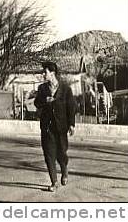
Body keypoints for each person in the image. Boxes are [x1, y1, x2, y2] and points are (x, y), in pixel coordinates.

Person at [33, 61, 76, 192]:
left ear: (52, 73)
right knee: (49, 155)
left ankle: (64, 170)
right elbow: (36, 103)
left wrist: (71, 124)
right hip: (47, 128)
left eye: (45, 72)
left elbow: (71, 107)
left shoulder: (65, 89)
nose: (43, 74)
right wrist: (44, 101)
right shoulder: (42, 89)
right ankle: (54, 182)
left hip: (61, 127)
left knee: (61, 153)